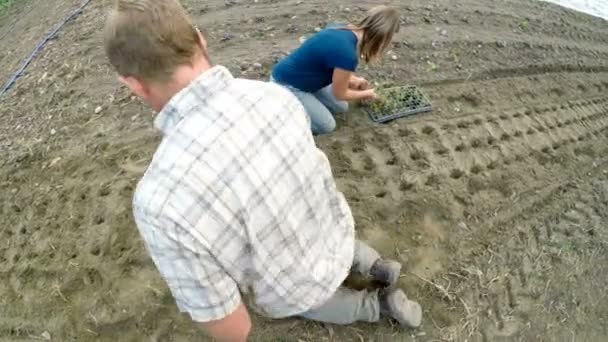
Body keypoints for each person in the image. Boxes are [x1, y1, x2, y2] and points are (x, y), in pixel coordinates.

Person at [104, 1, 421, 341]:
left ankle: (377, 305)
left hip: (294, 281)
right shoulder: (275, 99)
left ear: (133, 84)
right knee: (338, 239)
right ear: (201, 39)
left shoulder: (160, 201)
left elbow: (235, 330)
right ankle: (375, 265)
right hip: (333, 232)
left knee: (316, 302)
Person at [270, 6, 401, 135]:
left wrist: (353, 79)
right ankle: (284, 114)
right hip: (287, 84)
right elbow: (340, 94)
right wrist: (368, 94)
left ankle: (306, 103)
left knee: (340, 107)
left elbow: (330, 63)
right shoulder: (347, 54)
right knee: (327, 126)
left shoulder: (340, 28)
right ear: (383, 36)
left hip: (306, 78)